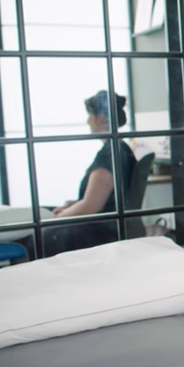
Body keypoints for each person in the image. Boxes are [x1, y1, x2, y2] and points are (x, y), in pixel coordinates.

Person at [44, 90, 136, 256]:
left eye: (89, 115)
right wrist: (69, 207)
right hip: (107, 224)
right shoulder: (119, 147)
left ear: (100, 117)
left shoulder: (110, 153)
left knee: (41, 230)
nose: (87, 121)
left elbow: (91, 206)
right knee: (44, 210)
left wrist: (59, 218)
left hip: (99, 231)